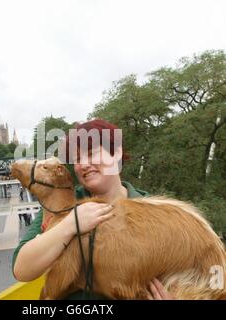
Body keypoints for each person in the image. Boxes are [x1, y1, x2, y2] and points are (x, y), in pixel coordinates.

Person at [12, 119, 174, 300]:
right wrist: (71, 224)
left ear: (117, 152)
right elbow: (21, 269)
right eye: (77, 159)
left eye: (91, 154)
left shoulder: (153, 211)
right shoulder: (62, 206)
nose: (83, 165)